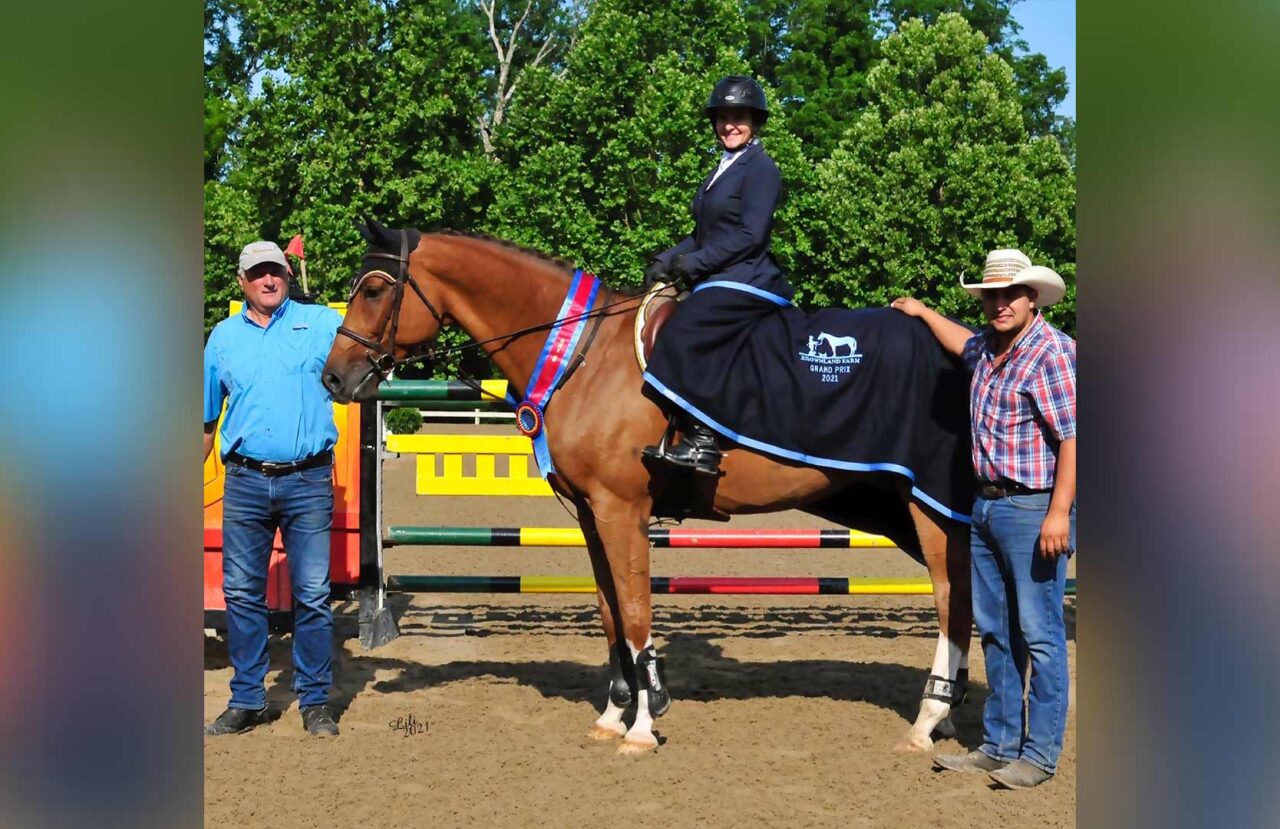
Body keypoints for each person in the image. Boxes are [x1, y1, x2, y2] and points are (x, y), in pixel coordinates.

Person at [890, 249, 1076, 789]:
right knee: (995, 631)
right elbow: (958, 339)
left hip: (1033, 507)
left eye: (1008, 295)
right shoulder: (987, 349)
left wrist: (1059, 511)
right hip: (987, 506)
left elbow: (1073, 438)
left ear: (1031, 297)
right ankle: (997, 744)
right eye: (990, 296)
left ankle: (1038, 756)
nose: (998, 304)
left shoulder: (1053, 354)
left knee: (1039, 635)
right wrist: (923, 313)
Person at [203, 240, 344, 737]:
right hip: (243, 481)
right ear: (241, 281)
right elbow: (203, 423)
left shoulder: (322, 323)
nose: (269, 280)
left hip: (308, 480)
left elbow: (370, 345)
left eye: (277, 271)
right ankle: (246, 700)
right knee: (241, 594)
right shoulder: (220, 339)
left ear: (288, 274)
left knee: (311, 593)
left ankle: (315, 701)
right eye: (258, 273)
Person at [642, 75, 791, 475]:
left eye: (738, 117)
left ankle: (702, 439)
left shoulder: (761, 169)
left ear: (754, 121)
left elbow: (750, 235)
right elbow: (703, 233)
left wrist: (693, 265)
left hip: (749, 279)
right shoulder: (722, 168)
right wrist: (665, 260)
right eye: (723, 117)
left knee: (684, 327)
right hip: (720, 276)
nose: (730, 125)